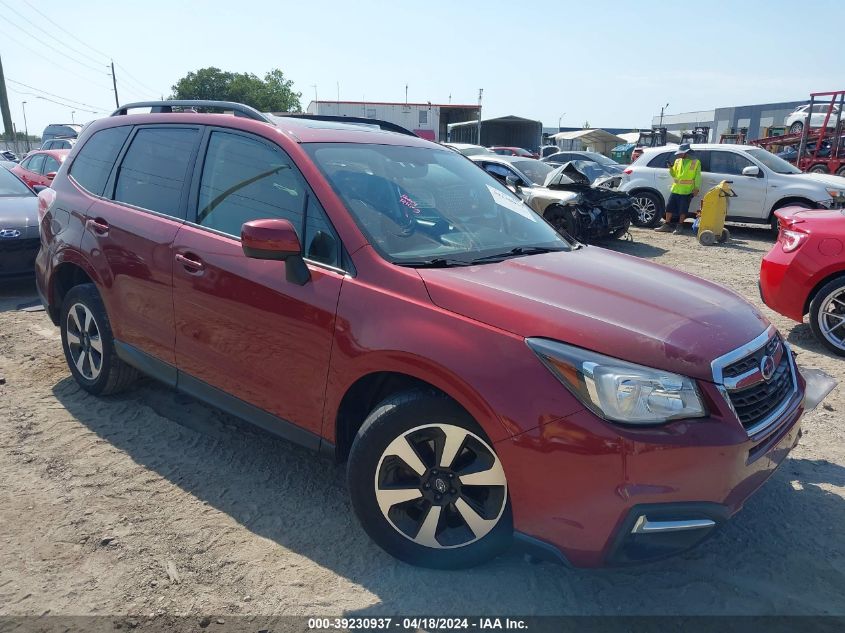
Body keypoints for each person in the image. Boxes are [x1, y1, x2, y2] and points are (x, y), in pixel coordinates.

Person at [655, 143, 701, 234]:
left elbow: (698, 176)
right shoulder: (677, 161)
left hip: (686, 190)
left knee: (683, 210)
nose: (679, 155)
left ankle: (679, 226)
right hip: (675, 189)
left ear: (686, 152)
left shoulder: (696, 162)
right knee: (669, 208)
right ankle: (666, 225)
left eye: (681, 153)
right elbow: (674, 175)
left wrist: (696, 188)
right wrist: (670, 168)